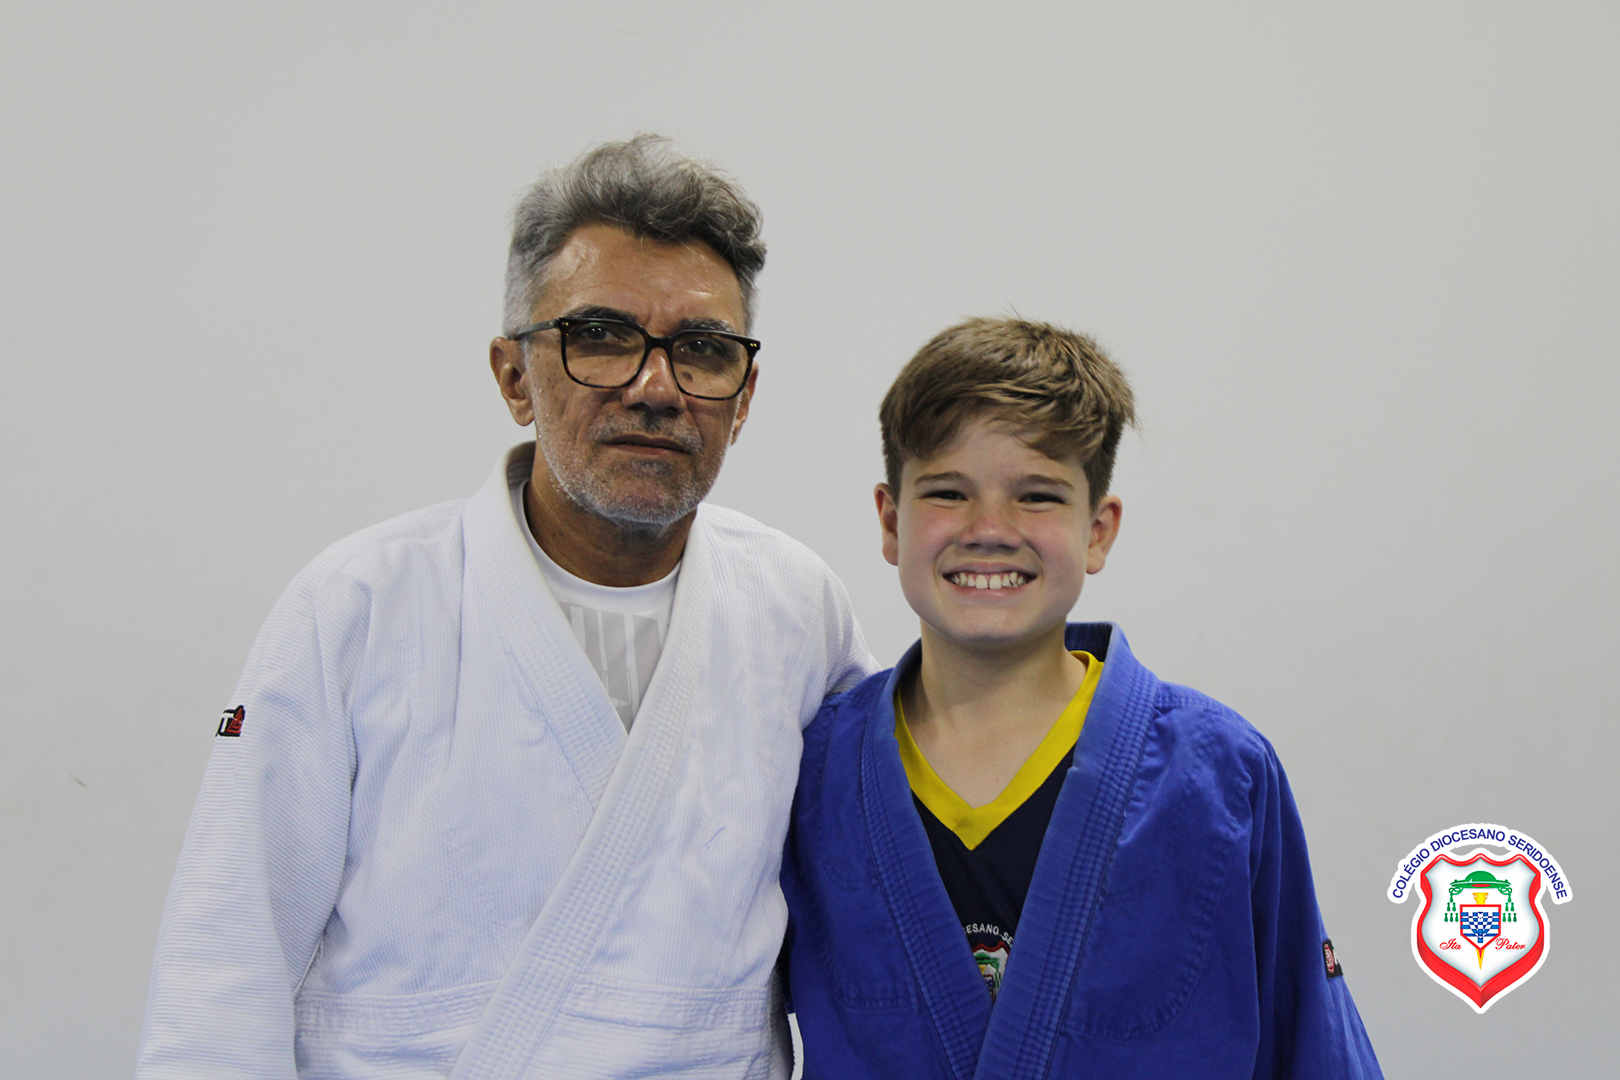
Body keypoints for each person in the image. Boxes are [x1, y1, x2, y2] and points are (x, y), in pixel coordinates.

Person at [138, 136, 874, 1079]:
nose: (656, 387)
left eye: (702, 350)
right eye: (601, 335)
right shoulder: (356, 607)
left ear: (746, 394)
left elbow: (871, 913)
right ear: (513, 375)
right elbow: (224, 962)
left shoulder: (797, 609)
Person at [781, 318, 1382, 1078]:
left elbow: (1312, 1052)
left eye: (1037, 496)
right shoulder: (810, 774)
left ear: (1098, 530)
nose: (990, 529)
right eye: (947, 492)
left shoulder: (1221, 778)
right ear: (891, 521)